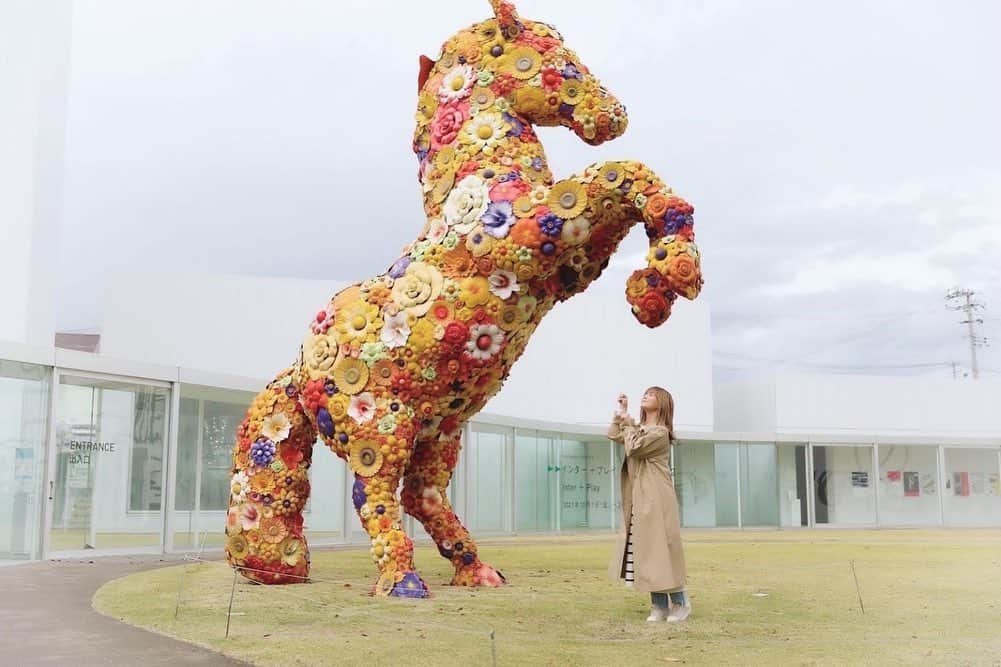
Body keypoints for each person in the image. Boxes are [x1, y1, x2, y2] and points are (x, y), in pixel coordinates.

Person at [608, 386, 691, 623]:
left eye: (651, 394)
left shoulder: (660, 433)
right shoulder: (640, 428)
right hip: (639, 495)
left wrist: (628, 423)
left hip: (657, 496)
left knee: (662, 549)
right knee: (646, 551)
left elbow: (633, 447)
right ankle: (659, 606)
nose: (645, 396)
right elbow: (614, 434)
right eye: (645, 393)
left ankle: (680, 603)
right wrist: (622, 413)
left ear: (662, 403)